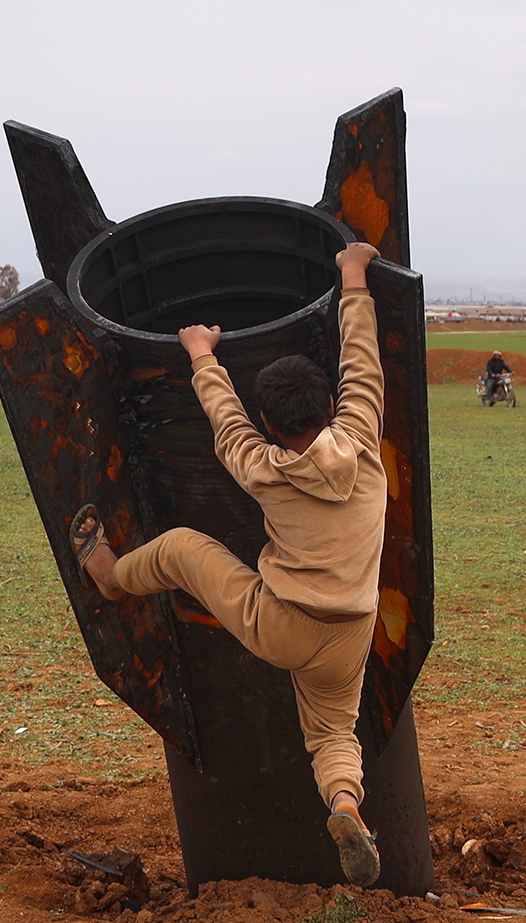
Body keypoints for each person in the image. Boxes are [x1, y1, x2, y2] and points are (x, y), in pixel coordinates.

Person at [71, 242, 388, 887]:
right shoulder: (363, 439)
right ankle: (345, 805)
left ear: (270, 422)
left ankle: (110, 579)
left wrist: (201, 355)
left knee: (183, 548)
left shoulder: (264, 468)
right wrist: (352, 276)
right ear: (330, 407)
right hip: (350, 630)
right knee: (332, 731)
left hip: (279, 622)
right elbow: (363, 362)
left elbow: (225, 423)